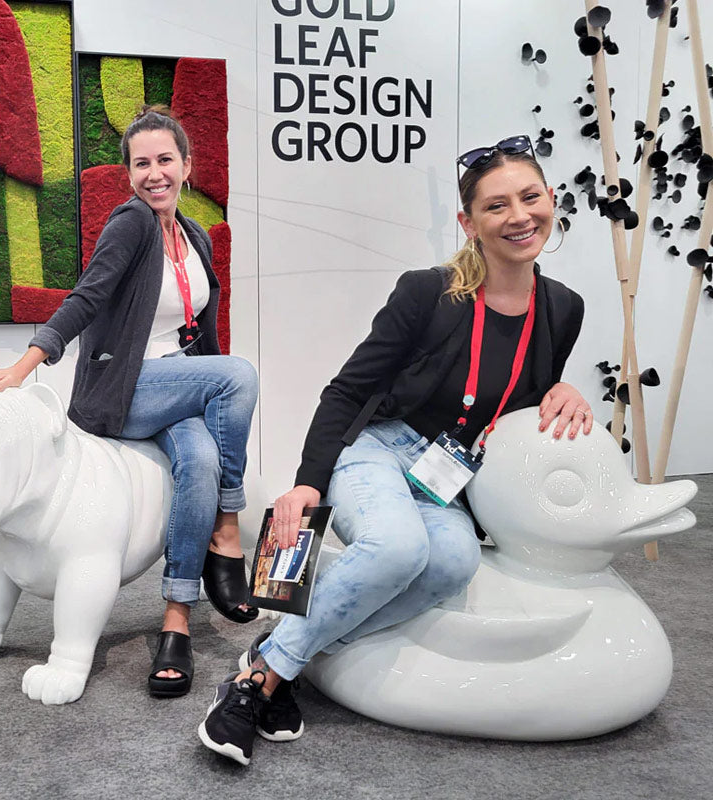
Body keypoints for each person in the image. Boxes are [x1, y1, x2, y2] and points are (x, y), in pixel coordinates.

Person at [198, 134, 592, 765]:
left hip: (447, 477)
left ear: (551, 199)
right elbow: (347, 389)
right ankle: (256, 684)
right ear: (469, 223)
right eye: (497, 206)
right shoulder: (426, 292)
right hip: (378, 449)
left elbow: (523, 399)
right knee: (399, 548)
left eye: (530, 197)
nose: (519, 216)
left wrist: (565, 388)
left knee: (453, 563)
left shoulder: (563, 308)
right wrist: (307, 482)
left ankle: (277, 652)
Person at [0, 105, 259, 699]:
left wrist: (201, 386)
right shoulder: (132, 223)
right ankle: (228, 527)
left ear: (187, 166)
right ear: (129, 174)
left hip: (175, 381)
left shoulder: (192, 235)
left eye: (164, 160)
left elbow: (199, 327)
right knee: (240, 376)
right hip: (125, 388)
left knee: (197, 460)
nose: (154, 173)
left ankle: (176, 620)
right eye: (141, 163)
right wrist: (24, 365)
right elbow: (85, 298)